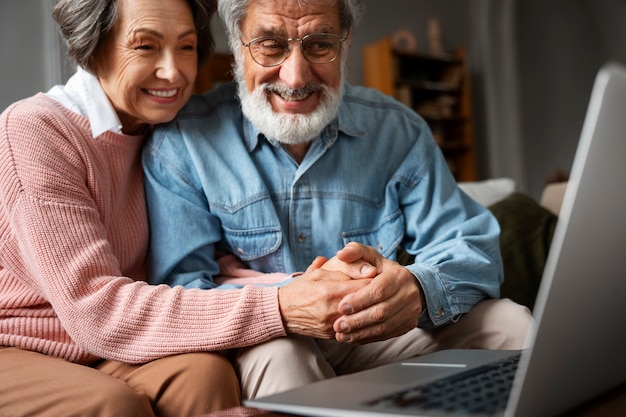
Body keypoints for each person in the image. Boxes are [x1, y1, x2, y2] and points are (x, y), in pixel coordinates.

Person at [142, 0, 534, 400]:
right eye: (271, 45)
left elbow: (473, 247)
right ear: (237, 44)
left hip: (378, 336)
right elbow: (181, 290)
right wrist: (286, 303)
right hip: (267, 341)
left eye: (318, 45)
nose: (295, 77)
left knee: (510, 324)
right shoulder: (182, 142)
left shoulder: (397, 130)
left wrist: (417, 288)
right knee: (283, 355)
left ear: (345, 44)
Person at [0, 0, 257, 415]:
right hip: (18, 342)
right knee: (111, 404)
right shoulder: (35, 131)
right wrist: (279, 308)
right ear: (93, 47)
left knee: (205, 373)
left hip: (108, 345)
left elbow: (210, 255)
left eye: (187, 47)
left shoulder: (175, 133)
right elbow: (95, 309)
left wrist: (304, 282)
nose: (173, 72)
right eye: (145, 46)